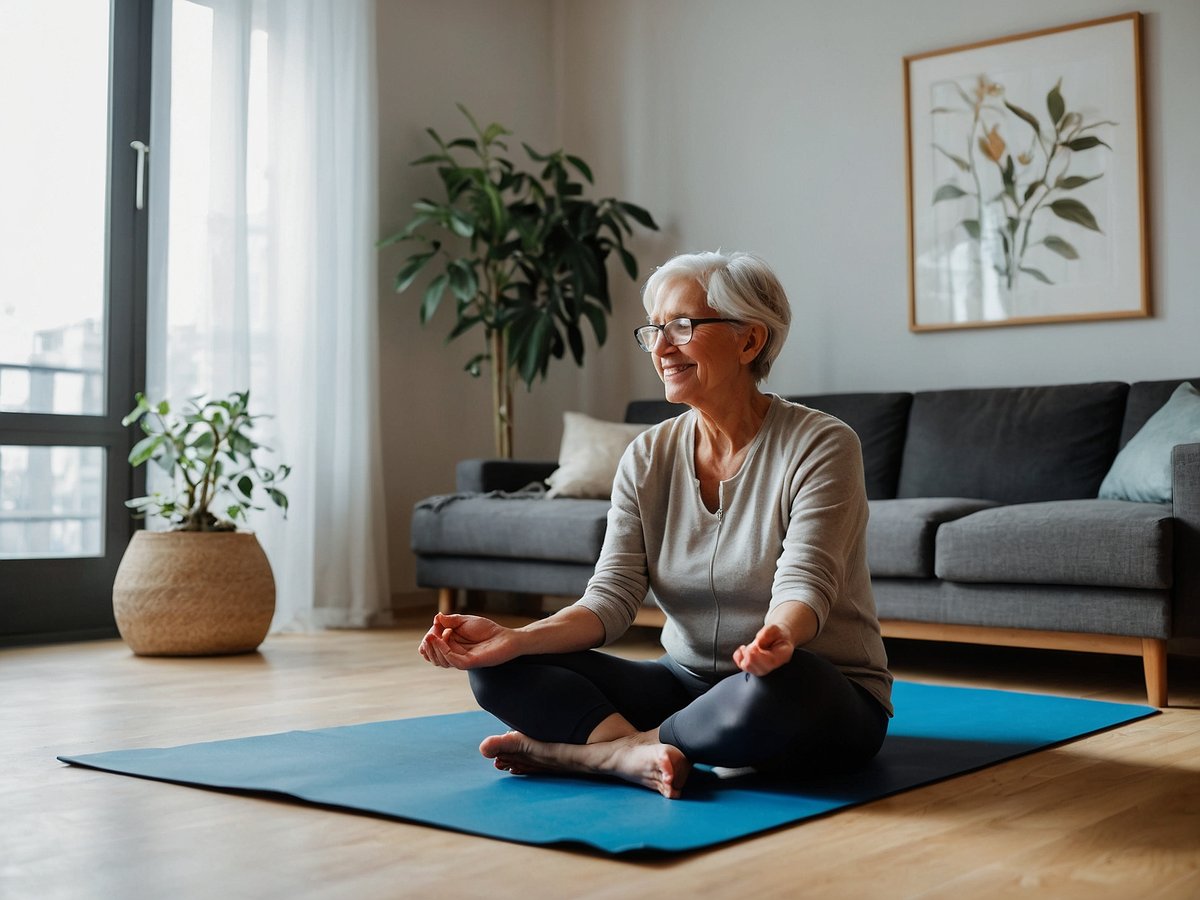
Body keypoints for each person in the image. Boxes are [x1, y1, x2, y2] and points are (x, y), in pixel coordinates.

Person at [419, 250, 892, 799]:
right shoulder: (646, 455)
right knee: (499, 666)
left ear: (749, 341)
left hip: (812, 691)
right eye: (655, 331)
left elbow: (805, 583)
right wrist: (516, 637)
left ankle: (600, 753)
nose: (662, 348)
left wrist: (779, 638)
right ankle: (635, 751)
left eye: (683, 327)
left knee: (785, 684)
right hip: (685, 687)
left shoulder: (821, 444)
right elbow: (610, 599)